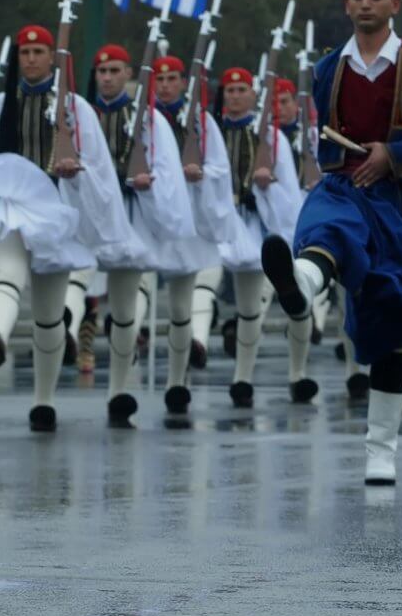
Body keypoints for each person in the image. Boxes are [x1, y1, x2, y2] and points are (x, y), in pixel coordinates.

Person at [261, 0, 402, 485]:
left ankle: (382, 450)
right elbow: (326, 138)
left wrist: (395, 154)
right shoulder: (329, 67)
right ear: (347, 5)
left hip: (398, 196)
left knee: (393, 317)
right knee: (326, 234)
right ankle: (300, 286)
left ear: (395, 4)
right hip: (345, 186)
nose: (367, 3)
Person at [0, 24, 133, 431]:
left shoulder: (75, 110)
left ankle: (43, 401)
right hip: (10, 208)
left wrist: (75, 172)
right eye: (25, 52)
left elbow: (97, 164)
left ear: (52, 58)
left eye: (38, 52)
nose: (29, 59)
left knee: (49, 316)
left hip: (53, 213)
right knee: (5, 281)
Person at [88, 43, 192, 425]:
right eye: (102, 72)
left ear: (129, 74)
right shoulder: (83, 113)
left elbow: (166, 168)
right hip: (96, 220)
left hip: (135, 218)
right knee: (108, 301)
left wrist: (149, 185)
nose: (108, 77)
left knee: (128, 307)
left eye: (115, 71)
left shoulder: (148, 120)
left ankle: (121, 389)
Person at [213, 66, 306, 406]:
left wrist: (267, 188)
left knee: (251, 308)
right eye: (230, 90)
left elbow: (291, 194)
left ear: (253, 95)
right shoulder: (211, 131)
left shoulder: (272, 136)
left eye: (242, 90)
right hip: (220, 225)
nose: (235, 96)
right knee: (228, 298)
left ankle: (244, 377)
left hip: (257, 227)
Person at [151, 55, 238, 415]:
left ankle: (176, 379)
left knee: (180, 307)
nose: (168, 85)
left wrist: (200, 173)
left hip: (189, 222)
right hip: (147, 219)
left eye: (174, 78)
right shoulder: (142, 119)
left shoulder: (202, 122)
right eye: (162, 79)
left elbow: (220, 168)